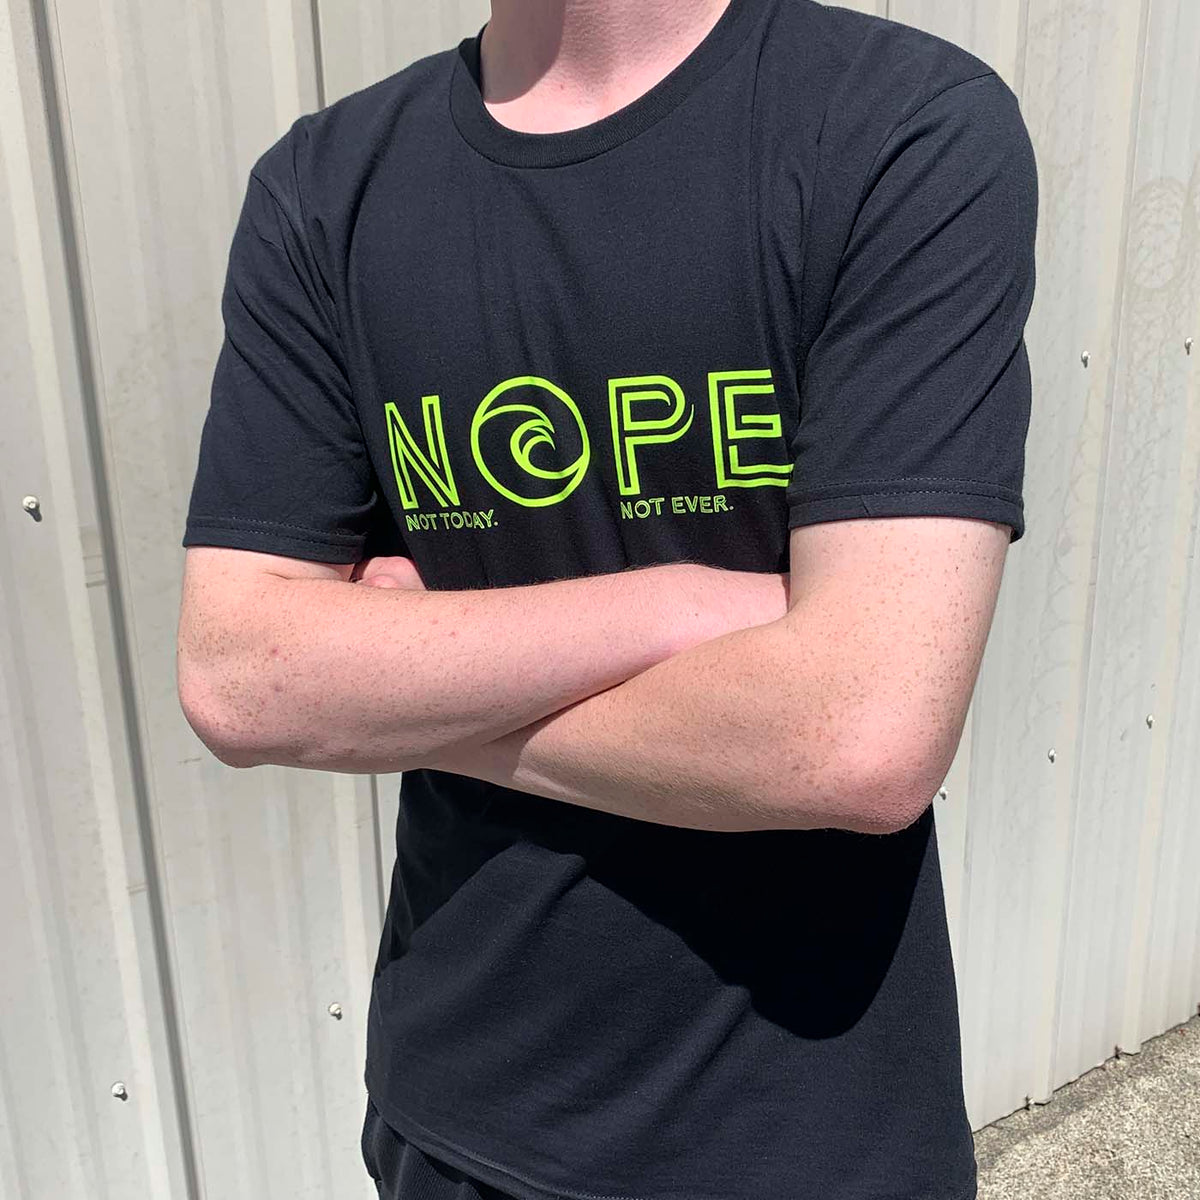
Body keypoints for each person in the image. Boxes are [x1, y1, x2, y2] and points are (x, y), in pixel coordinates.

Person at [177, 0, 1038, 1195]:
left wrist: (394, 690)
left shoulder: (898, 125)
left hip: (807, 1126)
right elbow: (238, 677)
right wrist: (682, 604)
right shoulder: (325, 188)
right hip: (455, 1114)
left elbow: (858, 738)